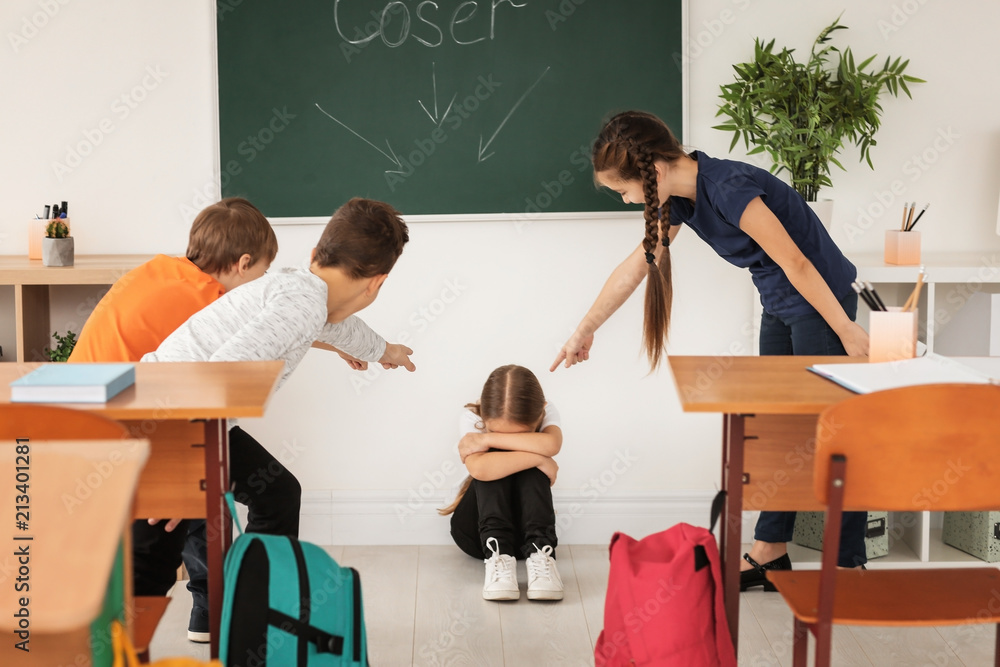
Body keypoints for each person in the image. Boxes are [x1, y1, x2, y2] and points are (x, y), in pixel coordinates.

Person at [550, 110, 870, 587]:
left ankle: (849, 565)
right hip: (780, 304)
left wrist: (845, 328)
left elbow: (798, 262)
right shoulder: (683, 197)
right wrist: (585, 329)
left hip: (821, 304)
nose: (626, 199)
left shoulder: (728, 187)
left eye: (624, 190)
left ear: (654, 171)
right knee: (778, 429)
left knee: (827, 433)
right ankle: (770, 551)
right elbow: (638, 264)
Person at [138, 197, 416, 640]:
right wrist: (182, 468)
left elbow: (341, 329)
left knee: (277, 493)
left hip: (185, 414)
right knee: (151, 560)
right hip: (170, 422)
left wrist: (387, 351)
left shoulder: (301, 290)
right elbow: (220, 376)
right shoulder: (304, 306)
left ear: (317, 254)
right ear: (377, 284)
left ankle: (255, 617)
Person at [68, 197, 284, 640]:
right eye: (262, 272)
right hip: (124, 431)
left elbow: (272, 326)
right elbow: (268, 330)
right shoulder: (205, 302)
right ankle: (234, 619)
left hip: (94, 419)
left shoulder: (162, 271)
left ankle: (210, 612)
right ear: (243, 263)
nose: (262, 285)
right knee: (172, 532)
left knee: (210, 494)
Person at [439, 364, 564, 601]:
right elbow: (479, 468)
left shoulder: (546, 410)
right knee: (494, 463)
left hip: (525, 535)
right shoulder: (472, 417)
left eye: (519, 434)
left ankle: (541, 553)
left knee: (526, 464)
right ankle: (498, 556)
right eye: (494, 431)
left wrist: (487, 439)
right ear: (484, 416)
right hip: (475, 534)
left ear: (541, 411)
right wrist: (539, 458)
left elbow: (551, 445)